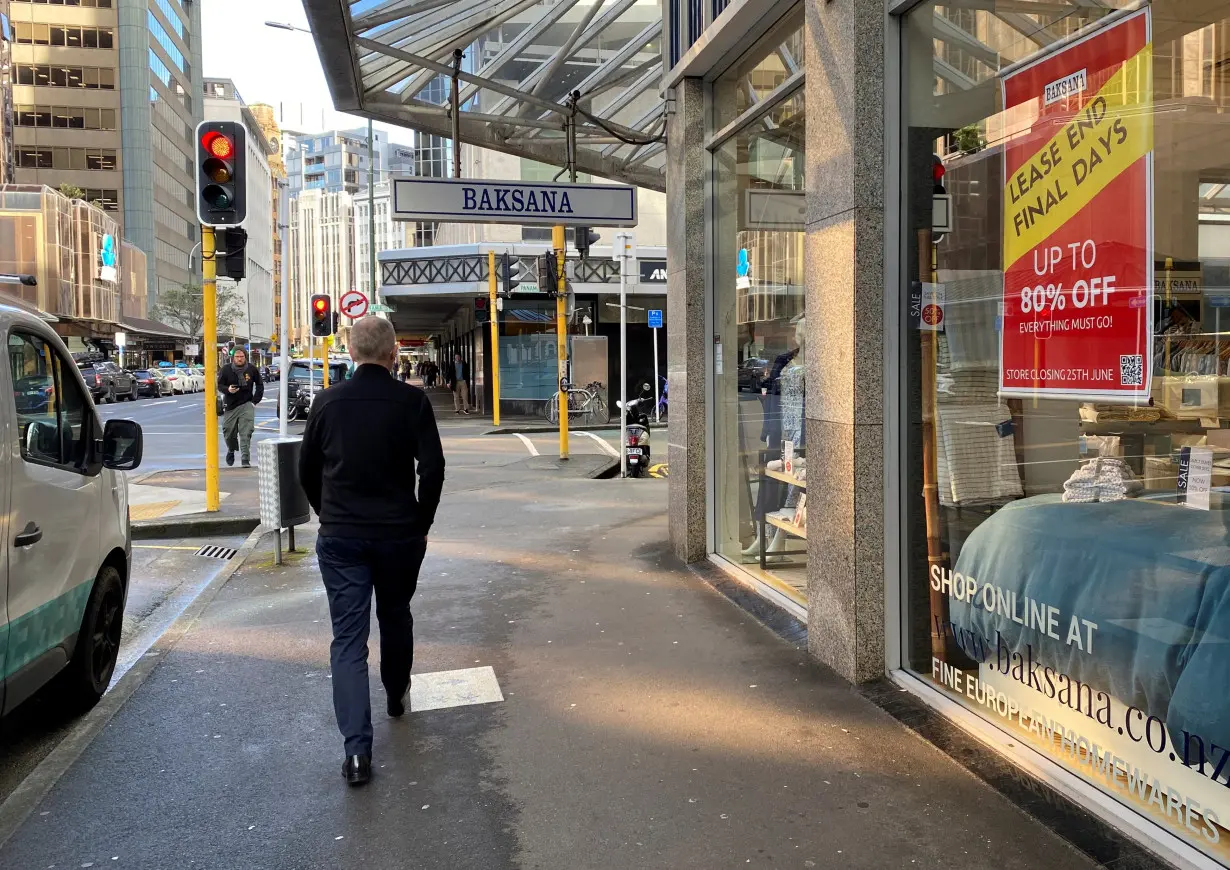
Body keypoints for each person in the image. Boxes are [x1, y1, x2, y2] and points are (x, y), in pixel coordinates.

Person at [298, 316, 445, 786]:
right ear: (392, 353)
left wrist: (329, 513)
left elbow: (307, 470)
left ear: (351, 351)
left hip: (341, 536)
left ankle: (357, 753)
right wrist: (421, 521)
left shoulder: (326, 402)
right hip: (399, 533)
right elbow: (434, 469)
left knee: (347, 638)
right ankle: (396, 692)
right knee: (396, 614)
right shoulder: (412, 401)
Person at [217, 348, 263, 468]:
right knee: (228, 432)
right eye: (237, 356)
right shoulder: (226, 369)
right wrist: (228, 390)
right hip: (230, 405)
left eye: (242, 356)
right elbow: (220, 385)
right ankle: (231, 450)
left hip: (247, 404)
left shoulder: (252, 369)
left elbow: (259, 385)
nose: (239, 358)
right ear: (233, 357)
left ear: (245, 356)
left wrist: (254, 401)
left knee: (246, 432)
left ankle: (245, 459)